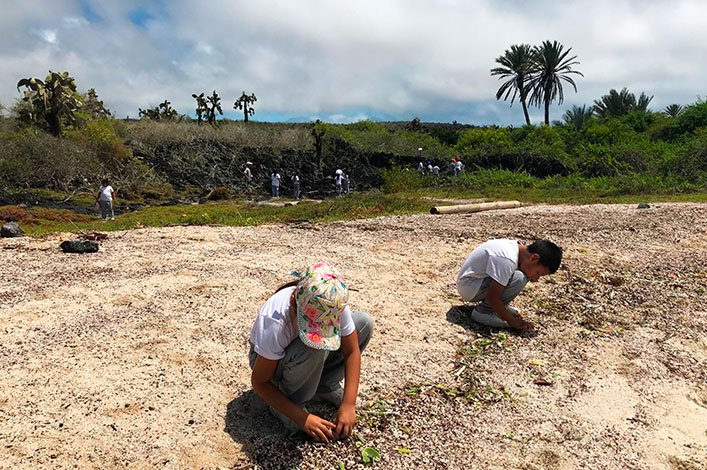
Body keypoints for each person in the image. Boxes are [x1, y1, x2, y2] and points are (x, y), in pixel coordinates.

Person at [249, 262, 374, 442]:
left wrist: (349, 403)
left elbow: (352, 351)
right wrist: (301, 417)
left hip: (302, 356)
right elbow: (259, 381)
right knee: (314, 346)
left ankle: (325, 385)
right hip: (269, 365)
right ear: (295, 303)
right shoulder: (275, 320)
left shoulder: (332, 302)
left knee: (363, 324)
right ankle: (290, 401)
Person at [456, 239, 562, 332]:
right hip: (470, 287)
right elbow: (492, 297)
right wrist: (512, 321)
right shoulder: (507, 259)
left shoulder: (516, 248)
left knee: (521, 275)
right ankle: (484, 312)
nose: (536, 279)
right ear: (534, 258)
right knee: (520, 277)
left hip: (475, 283)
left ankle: (500, 307)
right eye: (538, 273)